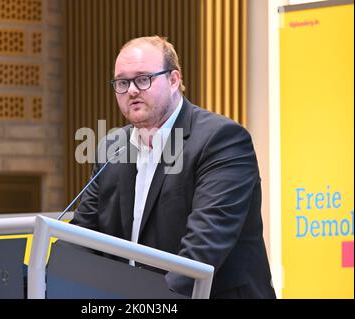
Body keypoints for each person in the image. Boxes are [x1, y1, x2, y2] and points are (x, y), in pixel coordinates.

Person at [70, 36, 276, 299]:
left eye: (143, 79)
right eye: (122, 83)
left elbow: (203, 249)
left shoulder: (221, 139)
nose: (132, 90)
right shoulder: (113, 147)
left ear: (174, 80)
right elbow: (81, 238)